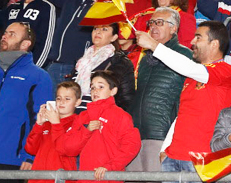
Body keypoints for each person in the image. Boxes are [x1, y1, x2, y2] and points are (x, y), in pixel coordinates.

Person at [135, 21, 231, 175]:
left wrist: (154, 45)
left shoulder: (226, 71)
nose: (192, 42)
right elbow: (182, 114)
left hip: (203, 158)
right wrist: (165, 149)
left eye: (198, 38)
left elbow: (189, 67)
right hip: (173, 157)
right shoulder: (191, 77)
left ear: (214, 44)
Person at [14, 0, 108, 87]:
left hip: (77, 68)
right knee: (44, 106)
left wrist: (99, 9)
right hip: (53, 65)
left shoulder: (105, 3)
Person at [128, 7, 192, 174]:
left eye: (159, 22)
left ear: (173, 28)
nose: (153, 27)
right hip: (136, 134)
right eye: (151, 23)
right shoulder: (145, 57)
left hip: (161, 134)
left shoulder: (184, 55)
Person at [53, 71, 140, 183]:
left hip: (109, 178)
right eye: (92, 87)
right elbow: (68, 148)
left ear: (113, 91)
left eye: (101, 86)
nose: (95, 90)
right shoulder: (83, 116)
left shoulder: (121, 116)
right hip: (84, 178)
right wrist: (86, 131)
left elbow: (131, 146)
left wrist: (110, 167)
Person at [0, 22, 53, 173]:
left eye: (12, 34)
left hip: (11, 159)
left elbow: (43, 119)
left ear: (25, 44)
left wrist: (31, 155)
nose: (4, 36)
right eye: (5, 32)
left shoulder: (39, 76)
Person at [0, 0, 56, 68]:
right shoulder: (12, 7)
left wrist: (33, 70)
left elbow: (46, 44)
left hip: (29, 66)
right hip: (4, 65)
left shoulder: (47, 7)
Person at [72, 23, 134, 112]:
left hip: (99, 116)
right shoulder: (82, 60)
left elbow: (126, 98)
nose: (98, 32)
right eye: (95, 28)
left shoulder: (119, 62)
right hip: (74, 114)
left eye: (104, 29)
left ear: (114, 37)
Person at [26, 82, 82, 181]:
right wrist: (38, 125)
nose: (62, 102)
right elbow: (31, 149)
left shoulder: (78, 124)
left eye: (67, 98)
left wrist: (56, 124)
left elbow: (65, 149)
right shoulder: (47, 123)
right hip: (38, 179)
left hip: (61, 179)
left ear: (77, 102)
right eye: (58, 98)